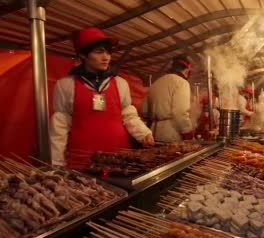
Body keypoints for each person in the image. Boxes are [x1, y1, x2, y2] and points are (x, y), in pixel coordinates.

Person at [50, 27, 154, 168]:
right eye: (99, 52)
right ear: (83, 54)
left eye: (108, 52)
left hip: (119, 153)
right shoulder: (66, 85)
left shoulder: (120, 83)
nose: (106, 57)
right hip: (83, 157)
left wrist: (144, 134)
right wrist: (56, 162)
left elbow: (128, 115)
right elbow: (60, 126)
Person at [143, 55, 194, 142]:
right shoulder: (182, 83)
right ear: (186, 70)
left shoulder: (155, 83)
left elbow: (144, 110)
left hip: (153, 131)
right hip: (171, 133)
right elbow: (180, 112)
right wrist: (188, 132)